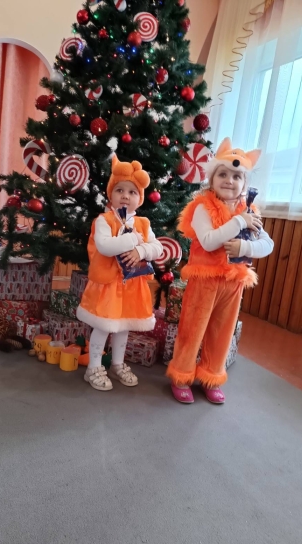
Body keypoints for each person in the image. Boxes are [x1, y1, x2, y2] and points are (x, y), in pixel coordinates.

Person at [166, 137, 274, 404]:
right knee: (193, 329)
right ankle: (181, 375)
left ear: (244, 184)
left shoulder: (249, 210)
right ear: (211, 179)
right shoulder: (202, 207)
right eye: (222, 174)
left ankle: (211, 376)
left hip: (233, 283)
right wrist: (239, 222)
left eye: (237, 176)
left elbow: (267, 244)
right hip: (205, 281)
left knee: (222, 332)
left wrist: (244, 247)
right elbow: (208, 241)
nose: (229, 180)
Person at [77, 155, 163, 391]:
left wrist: (140, 250)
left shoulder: (143, 223)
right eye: (120, 190)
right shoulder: (104, 220)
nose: (125, 195)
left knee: (123, 326)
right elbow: (105, 246)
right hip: (109, 286)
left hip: (132, 286)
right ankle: (94, 367)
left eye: (132, 192)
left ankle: (117, 363)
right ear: (111, 194)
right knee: (104, 325)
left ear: (140, 199)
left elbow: (157, 248)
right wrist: (132, 239)